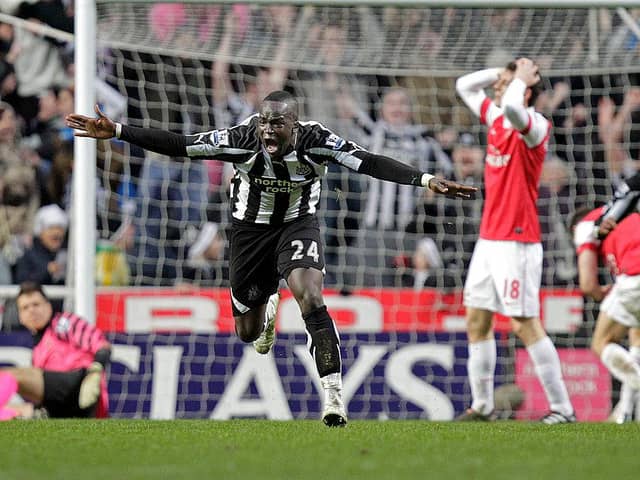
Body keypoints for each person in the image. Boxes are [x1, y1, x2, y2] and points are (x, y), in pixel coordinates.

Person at [65, 90, 477, 426]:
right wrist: (118, 130)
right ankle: (266, 314)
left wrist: (424, 179)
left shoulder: (319, 141)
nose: (267, 129)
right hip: (248, 234)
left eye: (276, 123)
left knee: (310, 294)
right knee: (246, 332)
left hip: (298, 224)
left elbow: (369, 162)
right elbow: (182, 145)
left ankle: (333, 396)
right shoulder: (242, 140)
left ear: (294, 125)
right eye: (263, 121)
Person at [455, 58, 575, 424]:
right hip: (489, 240)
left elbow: (511, 104)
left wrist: (519, 78)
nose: (497, 85)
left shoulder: (534, 125)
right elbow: (464, 85)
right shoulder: (496, 119)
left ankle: (563, 408)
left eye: (505, 81)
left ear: (524, 88)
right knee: (477, 319)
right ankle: (484, 404)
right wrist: (503, 72)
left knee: (524, 322)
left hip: (518, 241)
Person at [0, 281, 111, 420]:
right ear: (21, 317)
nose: (31, 310)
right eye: (25, 307)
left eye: (36, 304)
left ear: (48, 306)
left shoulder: (62, 323)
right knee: (16, 410)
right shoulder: (37, 351)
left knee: (8, 376)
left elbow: (101, 344)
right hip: (63, 405)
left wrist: (95, 371)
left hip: (80, 386)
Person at [570, 202, 640, 423]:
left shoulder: (585, 226)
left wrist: (602, 293)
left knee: (601, 342)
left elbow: (588, 285)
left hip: (635, 275)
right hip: (631, 278)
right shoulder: (626, 213)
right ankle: (626, 412)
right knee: (637, 337)